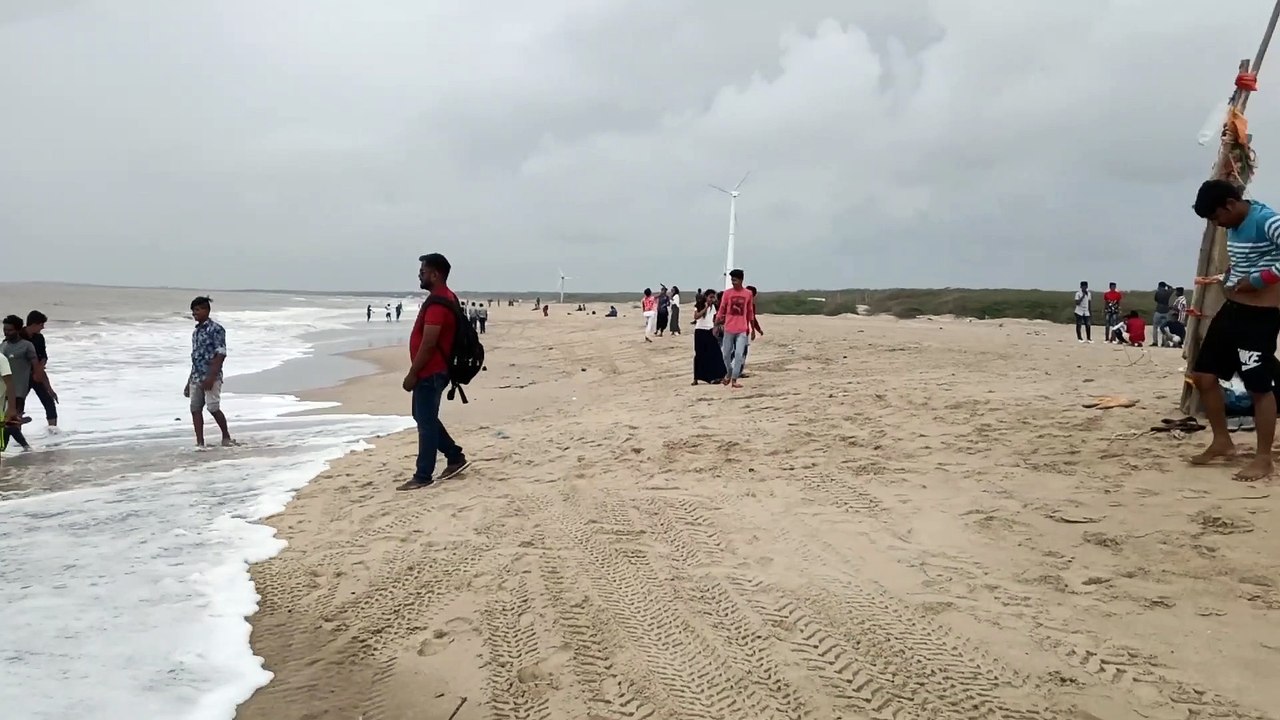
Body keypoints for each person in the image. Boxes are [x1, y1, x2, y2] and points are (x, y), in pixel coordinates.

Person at [1188, 179, 1280, 480]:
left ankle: (1263, 458)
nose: (1218, 224)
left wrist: (1259, 280)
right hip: (1233, 310)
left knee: (1258, 386)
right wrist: (1232, 275)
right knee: (1204, 376)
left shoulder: (1267, 220)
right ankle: (1222, 441)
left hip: (1260, 314)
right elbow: (1246, 260)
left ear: (1230, 204)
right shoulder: (1233, 225)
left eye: (1217, 217)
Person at [399, 253, 469, 490]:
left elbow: (429, 343)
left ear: (435, 274)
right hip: (435, 370)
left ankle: (423, 475)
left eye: (423, 270)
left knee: (425, 423)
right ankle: (454, 456)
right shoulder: (446, 298)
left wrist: (412, 373)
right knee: (423, 417)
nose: (419, 274)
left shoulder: (439, 303)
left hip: (431, 371)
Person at [184, 297, 234, 447]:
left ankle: (226, 436)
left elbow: (221, 353)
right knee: (195, 409)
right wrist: (188, 382)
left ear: (206, 310)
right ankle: (200, 443)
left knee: (213, 407)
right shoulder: (196, 332)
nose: (194, 313)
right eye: (193, 310)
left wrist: (211, 377)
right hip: (196, 376)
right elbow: (196, 358)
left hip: (211, 376)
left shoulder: (216, 329)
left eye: (197, 310)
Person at [715, 269, 757, 388]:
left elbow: (750, 312)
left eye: (735, 280)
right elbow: (722, 309)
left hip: (742, 329)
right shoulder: (727, 293)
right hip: (729, 328)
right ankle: (729, 372)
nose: (733, 282)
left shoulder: (748, 294)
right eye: (732, 280)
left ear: (741, 280)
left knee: (739, 355)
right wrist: (716, 324)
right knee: (726, 354)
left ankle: (734, 379)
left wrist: (753, 329)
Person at [0, 316, 36, 452]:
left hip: (18, 391)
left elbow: (36, 367)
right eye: (5, 330)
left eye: (10, 330)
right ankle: (25, 448)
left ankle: (8, 449)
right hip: (3, 393)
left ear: (18, 330)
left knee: (10, 424)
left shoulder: (27, 346)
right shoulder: (2, 346)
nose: (6, 332)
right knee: (8, 424)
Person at [22, 310, 57, 431]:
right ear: (34, 324)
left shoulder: (39, 338)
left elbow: (44, 356)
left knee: (49, 400)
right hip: (21, 377)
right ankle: (14, 434)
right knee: (17, 405)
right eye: (41, 325)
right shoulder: (17, 336)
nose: (43, 327)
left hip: (37, 374)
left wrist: (40, 369)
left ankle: (53, 432)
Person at [692, 289, 727, 385]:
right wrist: (705, 308)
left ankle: (717, 375)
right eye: (710, 297)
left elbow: (715, 318)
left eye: (713, 297)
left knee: (715, 353)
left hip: (710, 331)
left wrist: (718, 326)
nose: (712, 299)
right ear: (706, 297)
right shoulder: (699, 305)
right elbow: (696, 316)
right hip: (700, 331)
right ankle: (696, 378)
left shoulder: (714, 307)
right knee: (699, 354)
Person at [1152, 282, 1173, 346]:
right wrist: (1167, 285)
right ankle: (1164, 342)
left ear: (1159, 286)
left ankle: (1155, 342)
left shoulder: (1158, 292)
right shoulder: (1168, 292)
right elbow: (1172, 289)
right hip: (1166, 311)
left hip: (1158, 310)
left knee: (1155, 327)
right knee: (1165, 327)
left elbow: (1155, 299)